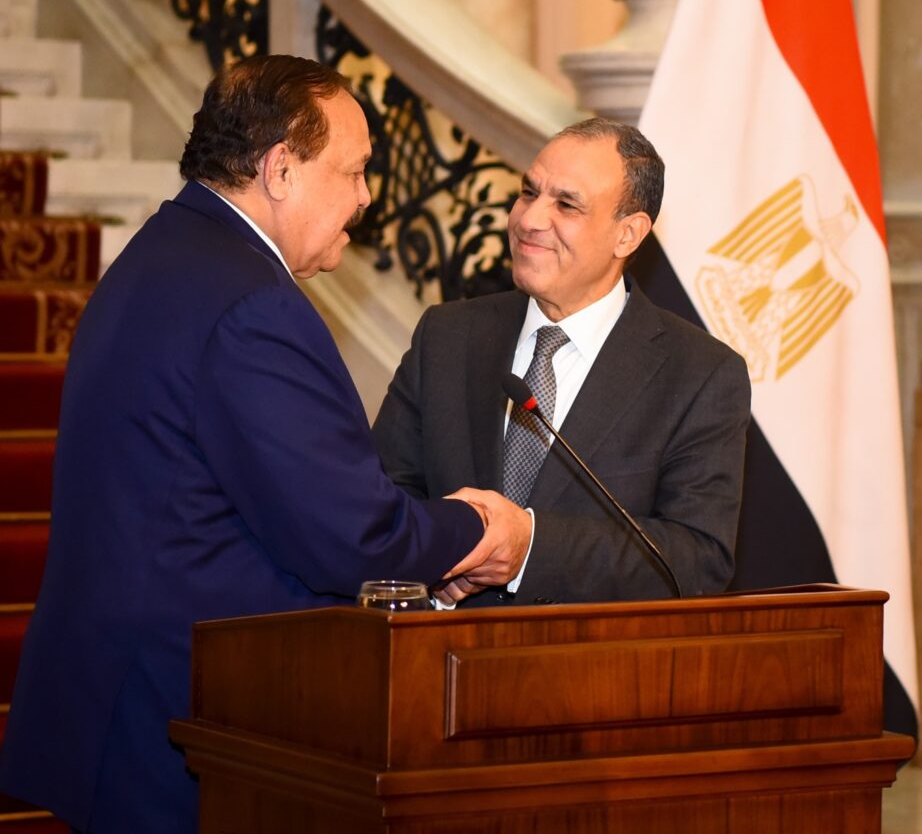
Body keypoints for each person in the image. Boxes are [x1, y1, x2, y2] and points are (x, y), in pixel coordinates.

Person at [0, 56, 530, 833]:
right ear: (281, 170)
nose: (366, 196)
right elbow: (355, 537)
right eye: (354, 171)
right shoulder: (252, 305)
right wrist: (481, 528)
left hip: (123, 692)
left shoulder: (163, 252)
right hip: (183, 719)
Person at [374, 117, 751, 606]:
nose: (529, 219)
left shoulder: (700, 374)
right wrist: (439, 563)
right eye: (528, 192)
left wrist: (531, 548)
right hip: (439, 644)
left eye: (566, 204)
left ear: (628, 235)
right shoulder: (447, 335)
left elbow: (696, 560)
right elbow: (384, 498)